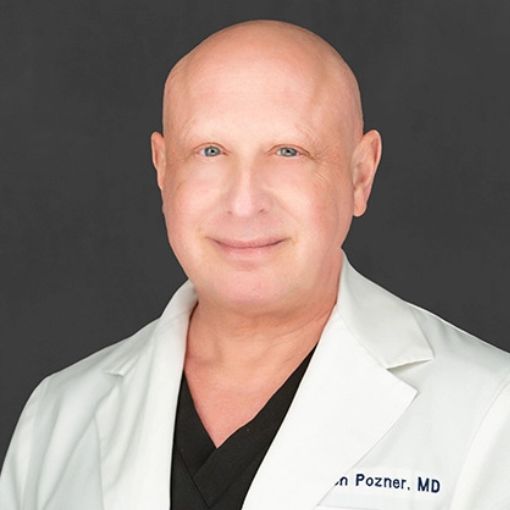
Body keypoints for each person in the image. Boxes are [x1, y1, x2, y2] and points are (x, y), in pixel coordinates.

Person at [1, 18, 509, 510]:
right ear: (163, 169)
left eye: (288, 151)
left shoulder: (490, 409)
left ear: (360, 175)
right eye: (210, 151)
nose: (244, 202)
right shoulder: (58, 415)